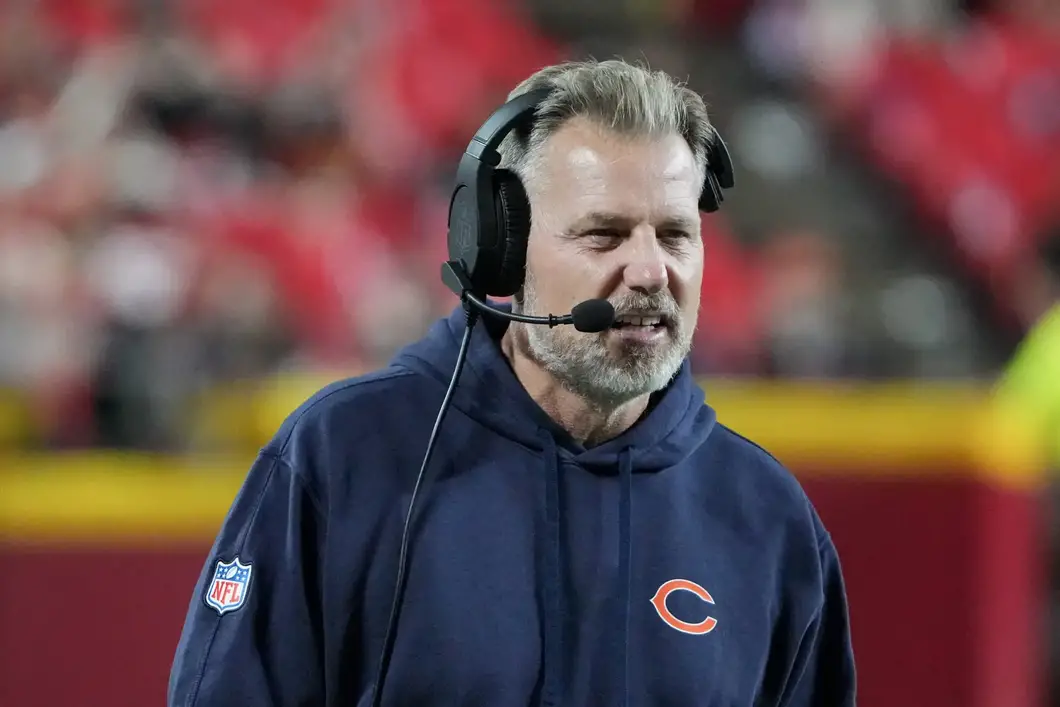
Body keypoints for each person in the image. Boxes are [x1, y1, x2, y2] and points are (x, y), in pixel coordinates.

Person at [168, 59, 857, 706]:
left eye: (674, 235)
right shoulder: (343, 457)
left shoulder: (767, 519)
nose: (650, 271)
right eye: (604, 235)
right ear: (501, 248)